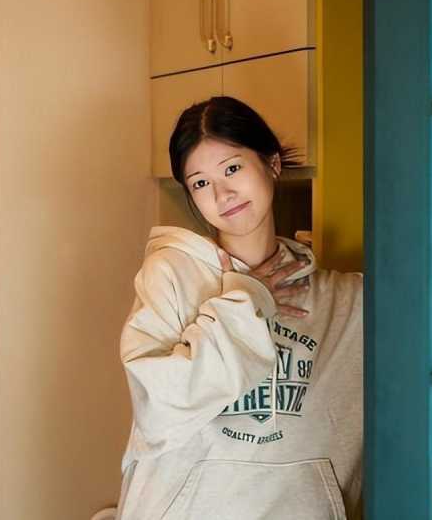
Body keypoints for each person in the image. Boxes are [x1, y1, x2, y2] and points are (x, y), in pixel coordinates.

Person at [115, 96, 363, 519]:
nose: (222, 194)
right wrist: (247, 301)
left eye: (232, 169)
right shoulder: (171, 273)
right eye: (200, 183)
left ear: (272, 163)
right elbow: (158, 408)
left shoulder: (344, 300)